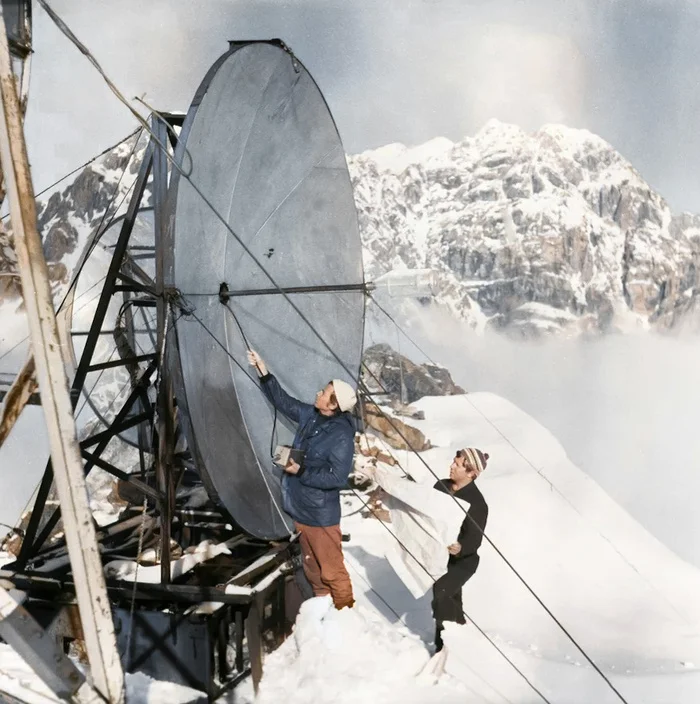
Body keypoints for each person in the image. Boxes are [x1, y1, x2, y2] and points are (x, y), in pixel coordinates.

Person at [247, 349, 357, 610]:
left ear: (333, 405)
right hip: (301, 509)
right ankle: (321, 615)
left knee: (332, 571)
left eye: (324, 393)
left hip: (320, 516)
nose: (318, 393)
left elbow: (337, 477)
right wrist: (263, 370)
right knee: (313, 570)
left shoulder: (341, 436)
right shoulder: (312, 415)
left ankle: (346, 616)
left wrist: (302, 471)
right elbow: (283, 402)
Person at [432, 447, 489, 652]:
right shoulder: (440, 486)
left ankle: (443, 644)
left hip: (463, 561)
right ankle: (457, 640)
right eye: (454, 463)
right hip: (439, 555)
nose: (451, 467)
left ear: (471, 473)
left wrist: (460, 547)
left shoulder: (477, 503)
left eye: (457, 465)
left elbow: (474, 540)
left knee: (442, 591)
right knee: (452, 598)